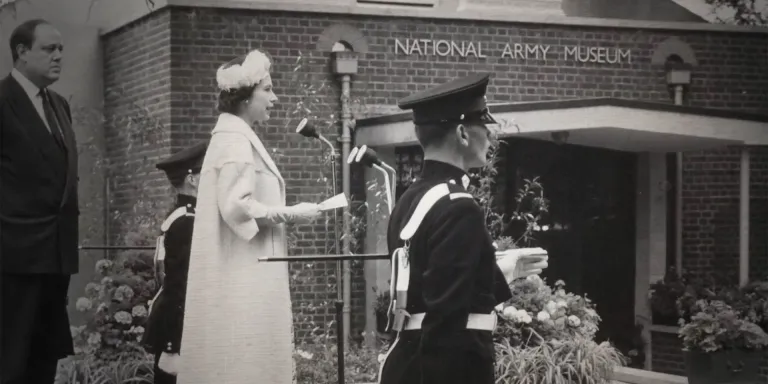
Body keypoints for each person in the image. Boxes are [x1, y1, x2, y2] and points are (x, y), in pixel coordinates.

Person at [378, 73, 550, 384]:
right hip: (445, 370)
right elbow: (447, 319)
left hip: (408, 361)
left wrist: (500, 270)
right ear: (462, 133)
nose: (489, 135)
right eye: (484, 126)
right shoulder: (460, 206)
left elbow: (430, 286)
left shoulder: (409, 200)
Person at [176, 49, 321, 383]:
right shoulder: (235, 141)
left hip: (243, 272)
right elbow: (236, 206)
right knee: (245, 363)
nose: (275, 97)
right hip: (242, 277)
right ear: (244, 97)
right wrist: (291, 213)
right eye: (267, 89)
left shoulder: (234, 137)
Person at [0, 19, 80, 384]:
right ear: (21, 52)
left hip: (55, 254)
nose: (59, 56)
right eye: (49, 49)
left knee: (43, 360)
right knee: (10, 359)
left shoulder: (59, 105)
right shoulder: (2, 101)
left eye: (61, 49)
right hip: (12, 257)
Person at [141, 141, 208, 383]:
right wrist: (173, 344)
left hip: (176, 321)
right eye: (205, 172)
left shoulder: (182, 216)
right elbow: (179, 285)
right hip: (177, 326)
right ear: (192, 179)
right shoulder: (186, 221)